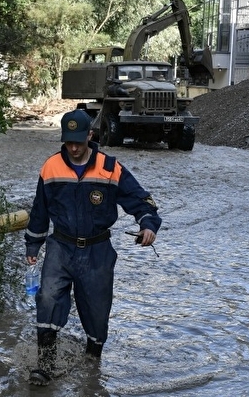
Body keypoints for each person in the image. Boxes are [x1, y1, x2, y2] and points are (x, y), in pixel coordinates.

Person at [24, 109, 162, 386]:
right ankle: (45, 365)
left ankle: (92, 366)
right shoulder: (50, 167)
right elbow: (39, 210)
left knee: (97, 314)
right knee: (48, 298)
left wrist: (148, 225)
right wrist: (33, 245)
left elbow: (141, 200)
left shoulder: (110, 168)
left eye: (78, 141)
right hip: (60, 247)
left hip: (97, 251)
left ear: (90, 135)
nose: (73, 148)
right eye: (68, 142)